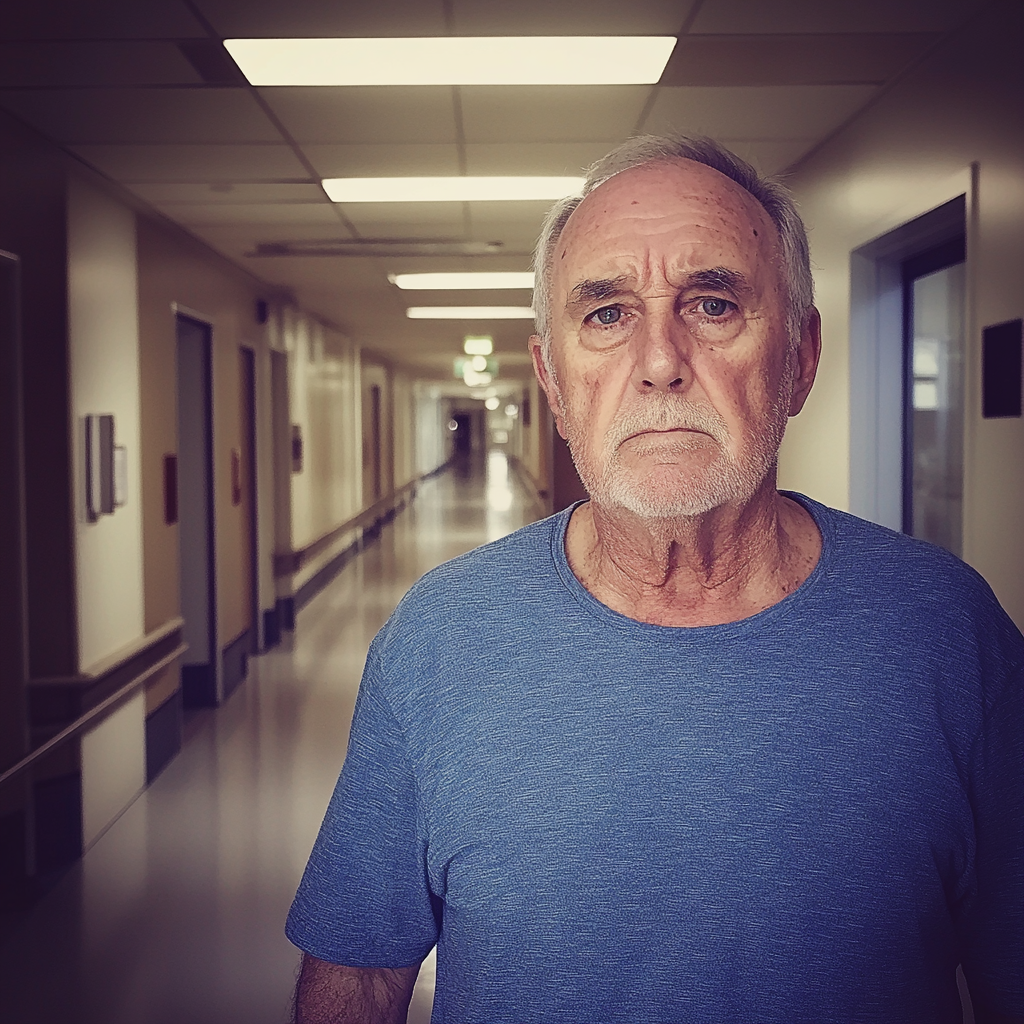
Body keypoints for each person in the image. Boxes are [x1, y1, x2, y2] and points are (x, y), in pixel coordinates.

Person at [285, 135, 1023, 1023]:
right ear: (553, 383)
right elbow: (358, 978)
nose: (661, 359)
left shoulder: (946, 632)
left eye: (712, 304)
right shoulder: (440, 638)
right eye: (606, 314)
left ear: (799, 358)